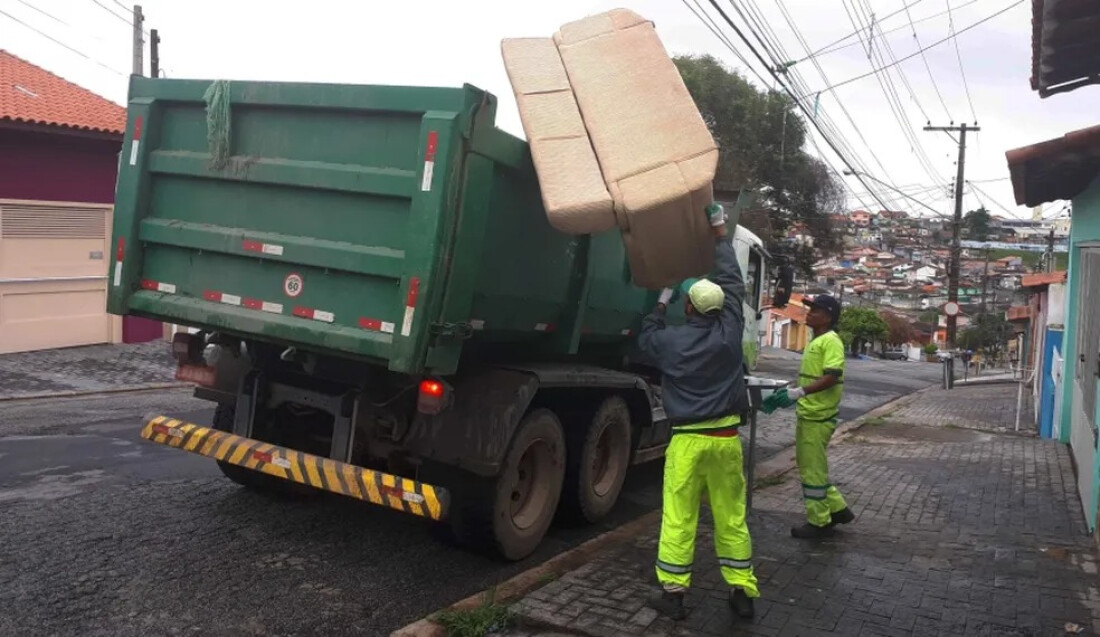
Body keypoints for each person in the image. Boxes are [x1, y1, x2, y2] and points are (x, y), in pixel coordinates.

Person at [637, 203, 758, 622]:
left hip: (687, 443)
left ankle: (673, 596)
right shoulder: (728, 336)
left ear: (687, 308)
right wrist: (719, 232)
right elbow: (732, 283)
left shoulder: (669, 343)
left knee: (679, 516)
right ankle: (742, 591)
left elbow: (647, 334)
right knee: (731, 517)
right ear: (721, 309)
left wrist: (664, 295)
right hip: (725, 442)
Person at [762, 294, 856, 539]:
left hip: (818, 416)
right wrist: (792, 390)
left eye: (814, 310)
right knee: (813, 467)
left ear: (827, 317)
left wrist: (798, 392)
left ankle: (819, 522)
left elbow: (831, 376)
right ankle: (838, 509)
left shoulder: (830, 341)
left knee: (811, 471)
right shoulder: (819, 341)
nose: (808, 313)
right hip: (811, 413)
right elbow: (812, 376)